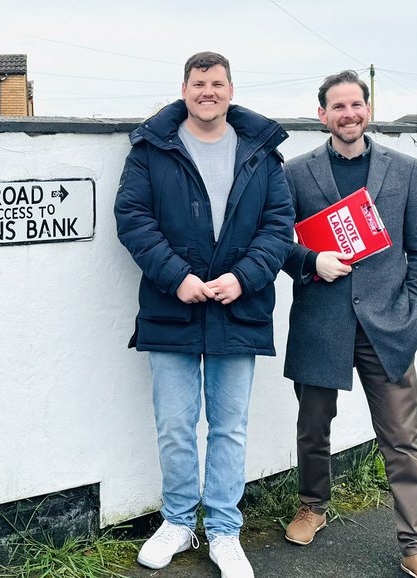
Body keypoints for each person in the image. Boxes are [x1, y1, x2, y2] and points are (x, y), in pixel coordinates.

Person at [114, 51, 294, 578]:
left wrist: (244, 277)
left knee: (229, 427)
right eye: (199, 83)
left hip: (241, 307)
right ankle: (176, 521)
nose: (207, 91)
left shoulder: (261, 152)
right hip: (173, 307)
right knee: (174, 424)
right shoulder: (151, 148)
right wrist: (178, 278)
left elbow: (278, 226)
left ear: (231, 90)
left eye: (217, 83)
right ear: (185, 89)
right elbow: (133, 218)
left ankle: (223, 529)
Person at [279, 70, 417, 578]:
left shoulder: (404, 168)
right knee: (313, 428)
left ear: (367, 109)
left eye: (357, 105)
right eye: (338, 107)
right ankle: (313, 505)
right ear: (322, 114)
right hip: (320, 319)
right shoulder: (295, 172)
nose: (349, 114)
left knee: (400, 436)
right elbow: (275, 243)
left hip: (387, 323)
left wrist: (414, 307)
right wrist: (310, 261)